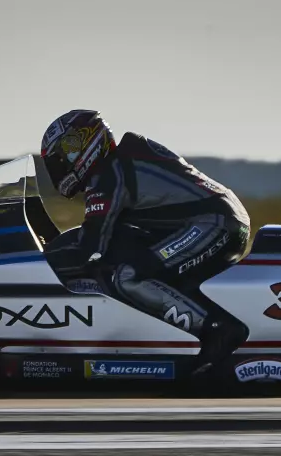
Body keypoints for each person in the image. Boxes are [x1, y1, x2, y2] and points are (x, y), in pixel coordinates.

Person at [39, 109, 252, 373]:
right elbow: (102, 236)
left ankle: (219, 328)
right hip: (215, 220)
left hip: (213, 224)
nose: (63, 160)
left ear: (88, 140)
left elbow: (92, 247)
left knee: (130, 276)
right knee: (135, 264)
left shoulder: (109, 173)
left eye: (69, 148)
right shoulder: (119, 165)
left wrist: (39, 263)